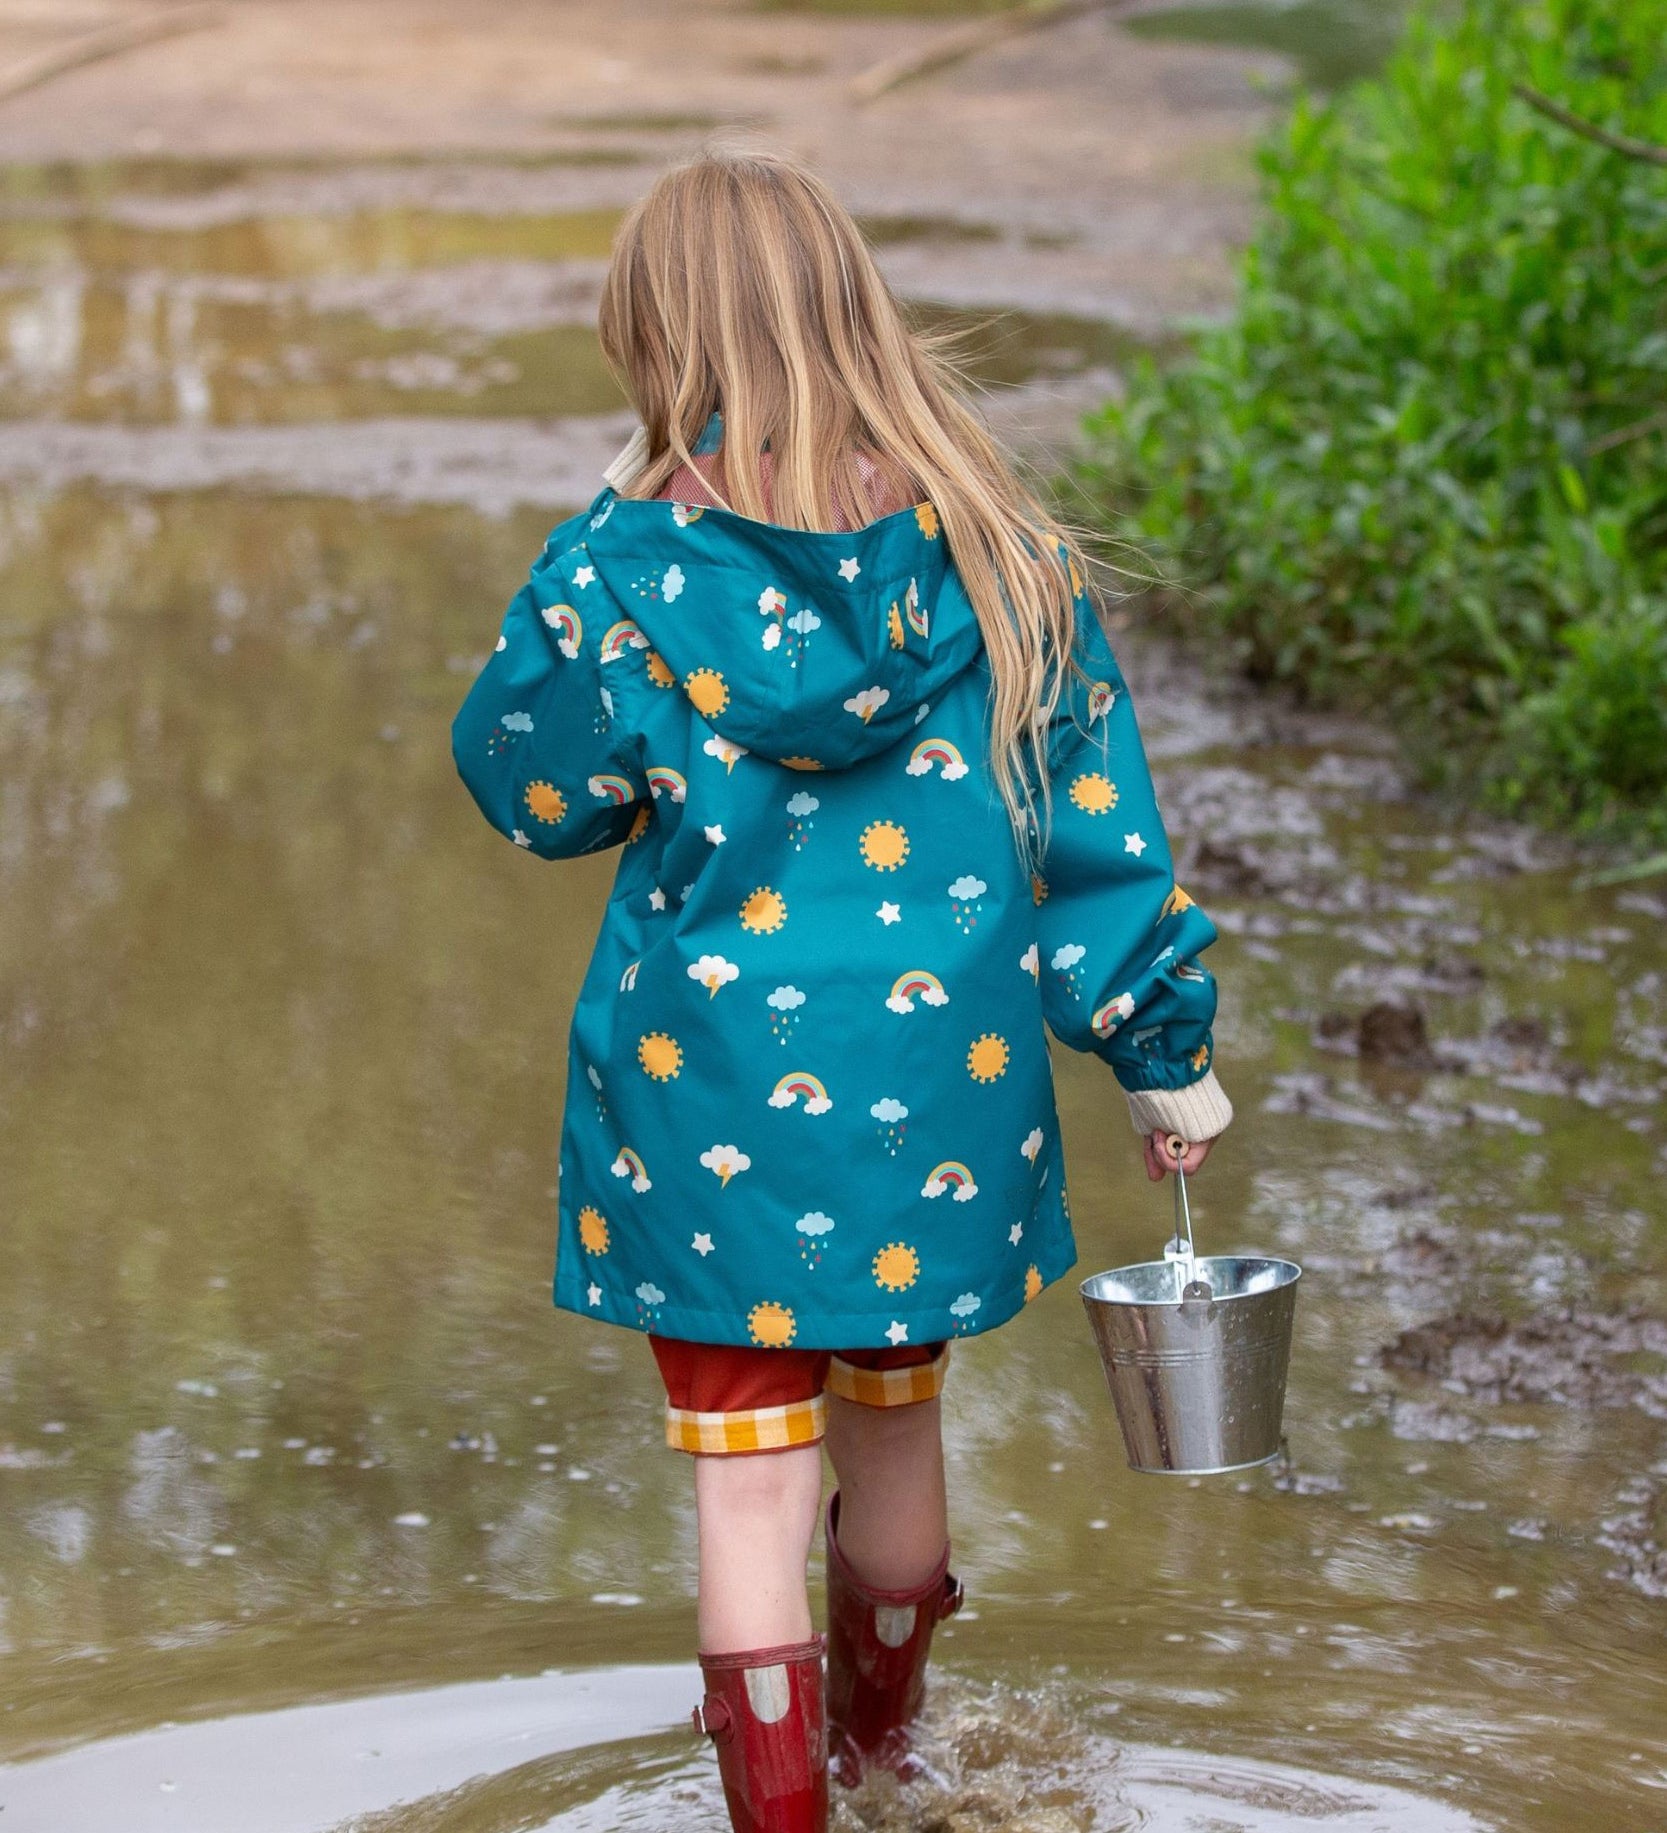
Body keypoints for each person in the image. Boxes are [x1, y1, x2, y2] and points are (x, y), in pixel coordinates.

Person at [451, 147, 1232, 1833]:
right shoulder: (1002, 551)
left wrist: (596, 531)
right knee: (895, 1441)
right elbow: (1093, 826)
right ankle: (889, 1769)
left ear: (657, 347)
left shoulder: (622, 574)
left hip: (709, 1103)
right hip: (936, 1111)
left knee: (750, 1507)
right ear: (854, 314)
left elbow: (527, 789)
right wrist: (1162, 1052)